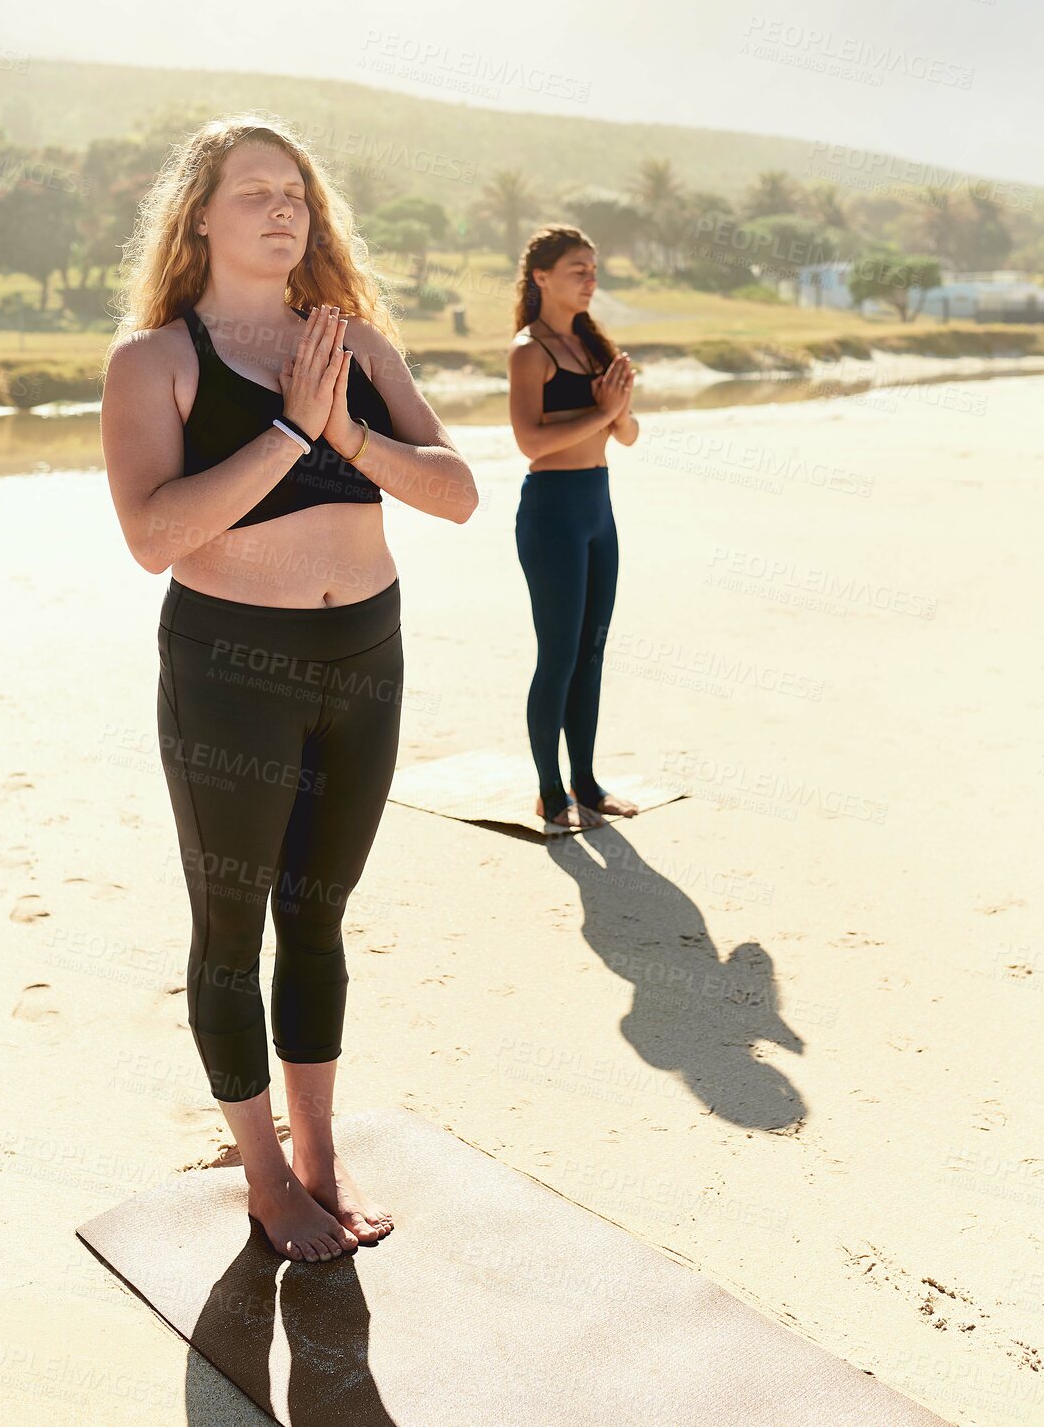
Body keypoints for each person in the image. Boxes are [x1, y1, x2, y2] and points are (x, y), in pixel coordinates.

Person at [99, 115, 477, 1264]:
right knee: (231, 927)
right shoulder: (153, 361)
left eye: (297, 194)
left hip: (366, 656)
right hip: (229, 671)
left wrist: (347, 432)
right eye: (253, 190)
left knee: (318, 915)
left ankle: (318, 1153)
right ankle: (263, 1176)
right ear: (200, 214)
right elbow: (153, 536)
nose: (280, 210)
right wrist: (288, 431)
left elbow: (456, 493)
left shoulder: (355, 344)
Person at [508, 225, 640, 831]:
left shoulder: (592, 346)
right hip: (553, 513)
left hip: (598, 509)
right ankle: (549, 791)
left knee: (591, 653)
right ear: (541, 277)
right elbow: (529, 442)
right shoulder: (529, 350)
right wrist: (603, 411)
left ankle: (587, 785)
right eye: (578, 270)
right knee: (558, 655)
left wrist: (619, 408)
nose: (590, 280)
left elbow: (627, 435)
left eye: (593, 269)